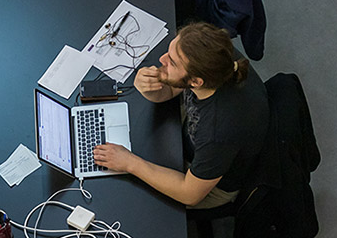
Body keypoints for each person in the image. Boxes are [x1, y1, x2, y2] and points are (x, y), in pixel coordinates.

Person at [93, 22, 268, 209]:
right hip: (197, 137)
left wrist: (130, 163)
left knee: (126, 196)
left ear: (196, 81)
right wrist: (151, 87)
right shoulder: (214, 55)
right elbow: (170, 90)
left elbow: (189, 194)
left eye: (172, 62)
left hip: (210, 186)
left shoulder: (218, 131)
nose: (162, 59)